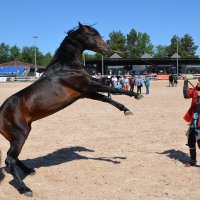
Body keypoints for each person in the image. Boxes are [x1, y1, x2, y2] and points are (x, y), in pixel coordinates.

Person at [183, 76, 200, 167]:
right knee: (191, 140)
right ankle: (193, 160)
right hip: (194, 118)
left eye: (199, 82)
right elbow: (186, 95)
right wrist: (185, 83)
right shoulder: (194, 90)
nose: (197, 83)